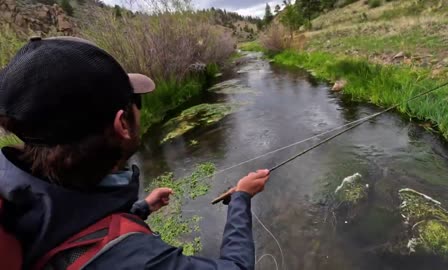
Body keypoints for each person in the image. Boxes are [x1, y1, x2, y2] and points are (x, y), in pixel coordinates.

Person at [0, 36, 270, 269]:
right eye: (135, 101)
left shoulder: (14, 200)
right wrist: (242, 198)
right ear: (123, 124)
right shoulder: (136, 261)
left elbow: (64, 229)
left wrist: (139, 210)